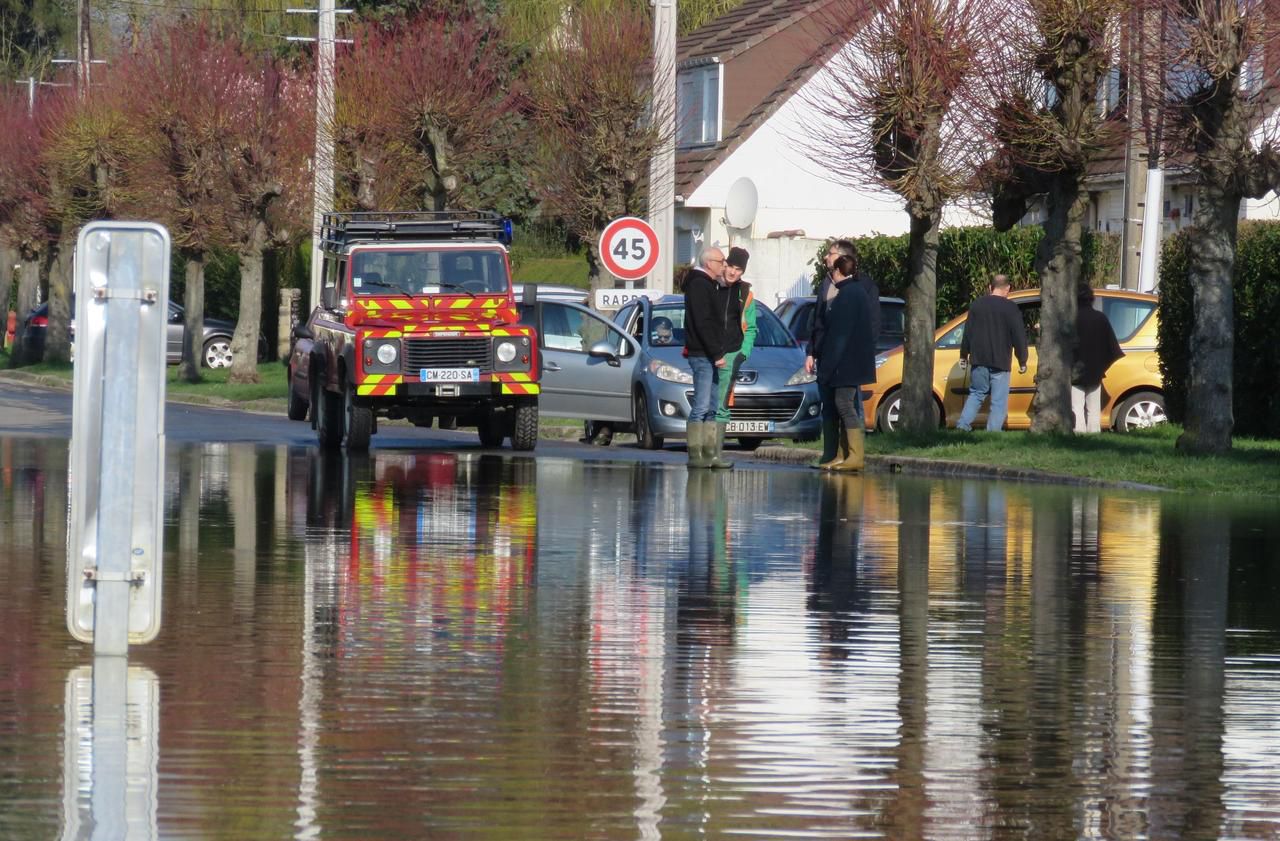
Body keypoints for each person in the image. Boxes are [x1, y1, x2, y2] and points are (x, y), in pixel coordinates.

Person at [807, 239, 879, 465]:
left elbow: (863, 327)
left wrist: (859, 354)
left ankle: (852, 455)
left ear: (841, 261)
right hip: (828, 356)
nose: (826, 257)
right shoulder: (827, 284)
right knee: (832, 405)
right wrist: (812, 351)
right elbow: (818, 321)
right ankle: (834, 454)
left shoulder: (858, 288)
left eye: (831, 254)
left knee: (846, 404)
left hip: (845, 360)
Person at [955, 274, 1029, 432]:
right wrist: (1022, 360)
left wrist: (963, 355)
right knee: (998, 401)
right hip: (1001, 361)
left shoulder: (976, 305)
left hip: (979, 360)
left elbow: (967, 333)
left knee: (976, 394)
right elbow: (1019, 336)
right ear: (1008, 289)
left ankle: (962, 426)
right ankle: (993, 432)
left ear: (990, 287)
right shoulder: (1011, 308)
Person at [683, 245, 733, 469]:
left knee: (713, 406)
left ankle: (711, 454)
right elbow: (703, 323)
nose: (724, 265)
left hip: (710, 354)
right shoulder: (699, 285)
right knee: (701, 406)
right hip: (703, 354)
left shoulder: (710, 285)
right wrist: (716, 353)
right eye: (721, 261)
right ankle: (696, 455)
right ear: (709, 263)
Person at [715, 247, 758, 434]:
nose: (733, 272)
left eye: (738, 269)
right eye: (731, 266)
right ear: (724, 265)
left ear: (743, 271)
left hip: (732, 353)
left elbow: (751, 328)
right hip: (707, 351)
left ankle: (715, 451)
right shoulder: (711, 285)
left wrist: (743, 353)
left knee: (723, 404)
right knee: (704, 402)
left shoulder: (745, 293)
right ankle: (702, 452)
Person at [1073, 286, 1123, 433]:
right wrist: (1102, 366)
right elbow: (1112, 348)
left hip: (1073, 371)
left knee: (1076, 406)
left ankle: (1078, 434)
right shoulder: (1100, 318)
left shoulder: (1070, 320)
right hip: (1095, 371)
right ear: (1091, 299)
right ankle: (1094, 434)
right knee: (1094, 408)